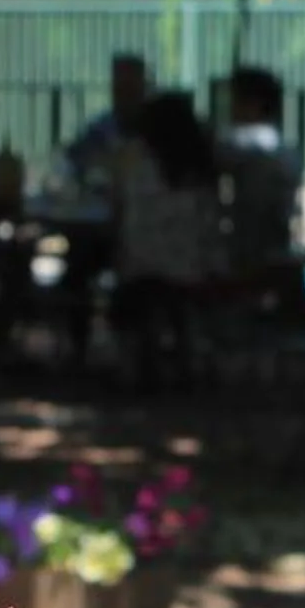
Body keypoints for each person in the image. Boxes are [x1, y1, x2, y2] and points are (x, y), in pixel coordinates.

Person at [110, 92, 225, 387]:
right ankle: (184, 362)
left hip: (143, 270)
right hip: (194, 270)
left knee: (131, 290)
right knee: (172, 298)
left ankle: (134, 367)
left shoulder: (136, 164)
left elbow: (121, 215)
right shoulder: (202, 170)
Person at [218, 64, 305, 310]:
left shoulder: (251, 143)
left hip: (257, 256)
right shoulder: (285, 149)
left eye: (234, 102)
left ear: (253, 104)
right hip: (275, 250)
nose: (229, 111)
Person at [65, 52, 154, 193]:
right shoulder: (100, 129)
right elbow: (71, 162)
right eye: (120, 89)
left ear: (145, 88)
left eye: (131, 89)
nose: (125, 97)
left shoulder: (162, 130)